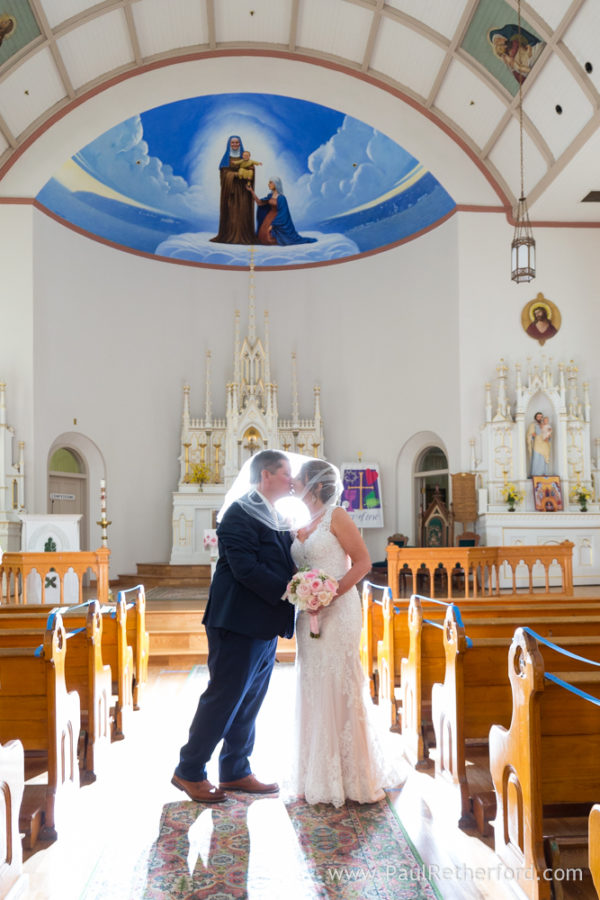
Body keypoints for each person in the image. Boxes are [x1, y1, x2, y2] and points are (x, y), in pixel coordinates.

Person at [172, 449, 295, 803]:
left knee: (250, 700)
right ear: (266, 476)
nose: (291, 481)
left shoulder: (274, 514)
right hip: (237, 620)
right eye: (286, 475)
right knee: (224, 698)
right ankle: (189, 770)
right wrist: (288, 589)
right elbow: (244, 567)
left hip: (263, 622)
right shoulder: (239, 512)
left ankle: (236, 770)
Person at [291, 459, 393, 806]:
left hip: (339, 609)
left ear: (315, 484)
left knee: (338, 681)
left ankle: (350, 775)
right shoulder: (302, 520)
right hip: (308, 614)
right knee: (313, 683)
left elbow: (363, 562)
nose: (293, 482)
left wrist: (328, 593)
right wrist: (307, 595)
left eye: (299, 478)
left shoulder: (338, 516)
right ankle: (314, 772)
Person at [210, 135, 256, 244]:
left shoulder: (244, 157)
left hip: (243, 190)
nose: (235, 145)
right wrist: (235, 174)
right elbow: (224, 174)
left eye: (237, 143)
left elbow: (251, 170)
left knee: (242, 213)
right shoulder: (226, 158)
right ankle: (229, 236)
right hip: (231, 191)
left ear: (240, 144)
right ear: (229, 144)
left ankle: (244, 236)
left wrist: (249, 172)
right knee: (231, 214)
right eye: (232, 143)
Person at [246, 177, 317, 246]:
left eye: (271, 182)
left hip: (277, 219)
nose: (268, 184)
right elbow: (259, 203)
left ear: (276, 184)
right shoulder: (270, 196)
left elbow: (283, 213)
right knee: (262, 236)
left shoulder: (282, 198)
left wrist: (273, 225)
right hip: (268, 218)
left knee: (269, 238)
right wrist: (251, 191)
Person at [527, 411, 551, 477]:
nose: (540, 418)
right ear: (535, 417)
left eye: (541, 416)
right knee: (536, 457)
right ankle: (535, 474)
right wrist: (532, 435)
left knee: (543, 458)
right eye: (538, 416)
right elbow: (530, 434)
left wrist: (548, 437)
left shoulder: (546, 425)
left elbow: (549, 433)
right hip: (537, 442)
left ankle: (543, 473)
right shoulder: (533, 424)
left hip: (544, 443)